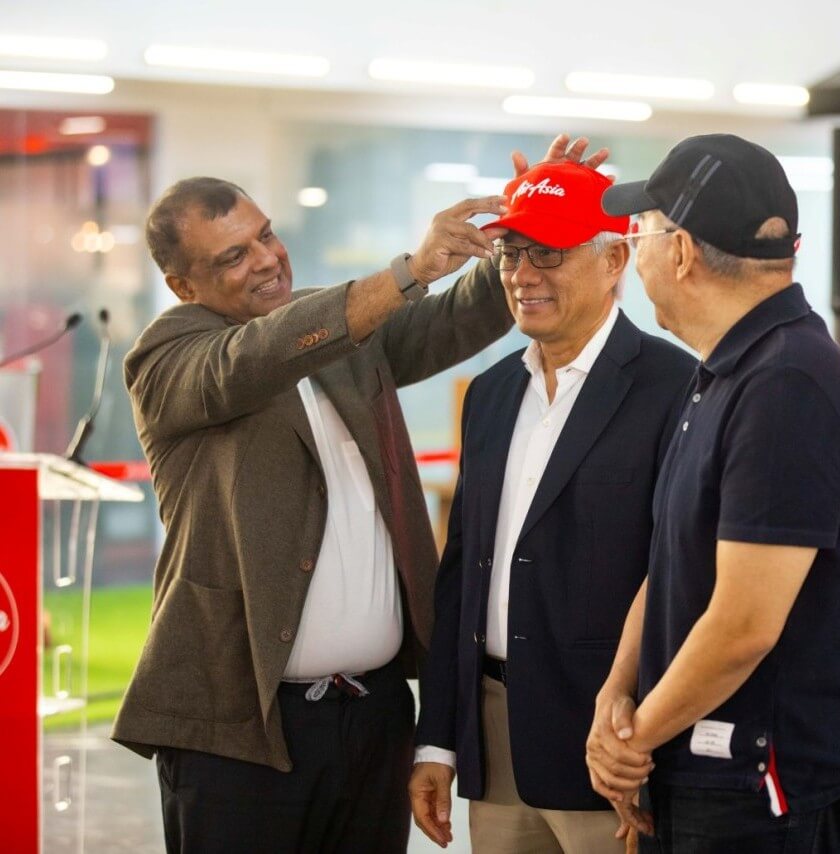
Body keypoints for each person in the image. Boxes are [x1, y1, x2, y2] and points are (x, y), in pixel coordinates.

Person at [110, 135, 601, 853]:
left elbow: (454, 318)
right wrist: (407, 270)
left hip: (371, 718)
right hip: (239, 730)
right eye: (232, 257)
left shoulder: (337, 327)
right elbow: (259, 354)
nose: (266, 260)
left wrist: (521, 231)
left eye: (265, 236)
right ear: (184, 285)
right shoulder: (169, 356)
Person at [585, 134, 840, 853]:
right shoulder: (728, 370)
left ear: (683, 252)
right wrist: (616, 692)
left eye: (642, 232)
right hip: (700, 769)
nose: (635, 249)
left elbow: (743, 624)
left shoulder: (787, 385)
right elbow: (674, 562)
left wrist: (631, 742)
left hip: (767, 797)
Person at [409, 161, 696, 853]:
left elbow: (682, 580)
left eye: (550, 253)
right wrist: (438, 742)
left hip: (613, 746)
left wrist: (645, 738)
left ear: (614, 259)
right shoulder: (489, 395)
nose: (522, 274)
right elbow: (462, 576)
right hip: (495, 738)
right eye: (512, 252)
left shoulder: (677, 386)